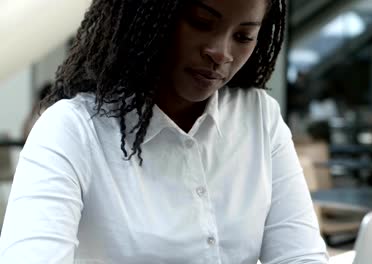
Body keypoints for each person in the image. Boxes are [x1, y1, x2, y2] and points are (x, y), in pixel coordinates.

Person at [0, 0, 328, 263]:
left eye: (243, 36)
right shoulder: (71, 130)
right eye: (201, 21)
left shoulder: (259, 116)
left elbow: (299, 255)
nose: (221, 52)